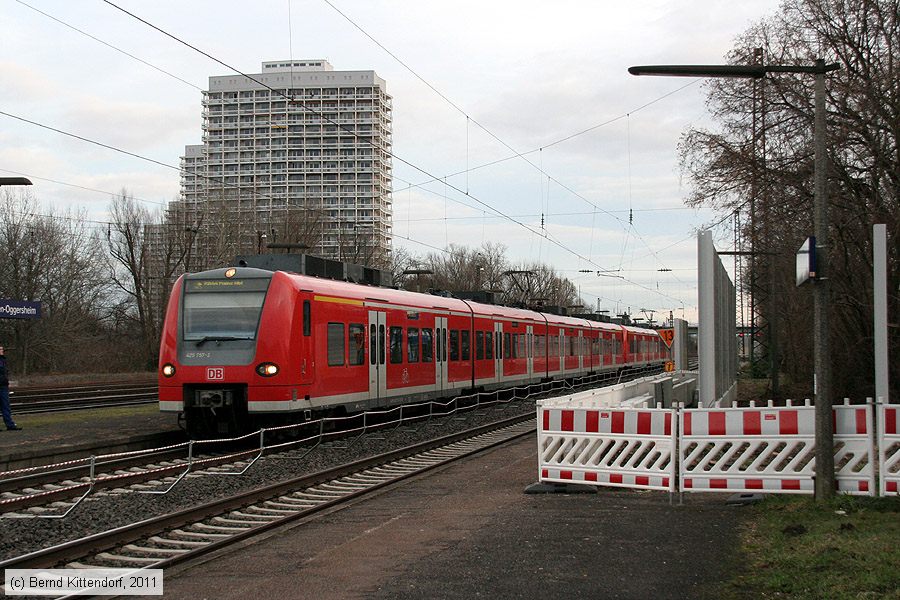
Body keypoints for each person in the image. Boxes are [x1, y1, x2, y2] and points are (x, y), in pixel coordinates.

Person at [0, 345, 21, 431]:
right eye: (0, 349)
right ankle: (10, 424)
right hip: (2, 385)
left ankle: (10, 424)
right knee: (5, 406)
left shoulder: (3, 360)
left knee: (6, 406)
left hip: (3, 386)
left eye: (2, 349)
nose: (2, 350)